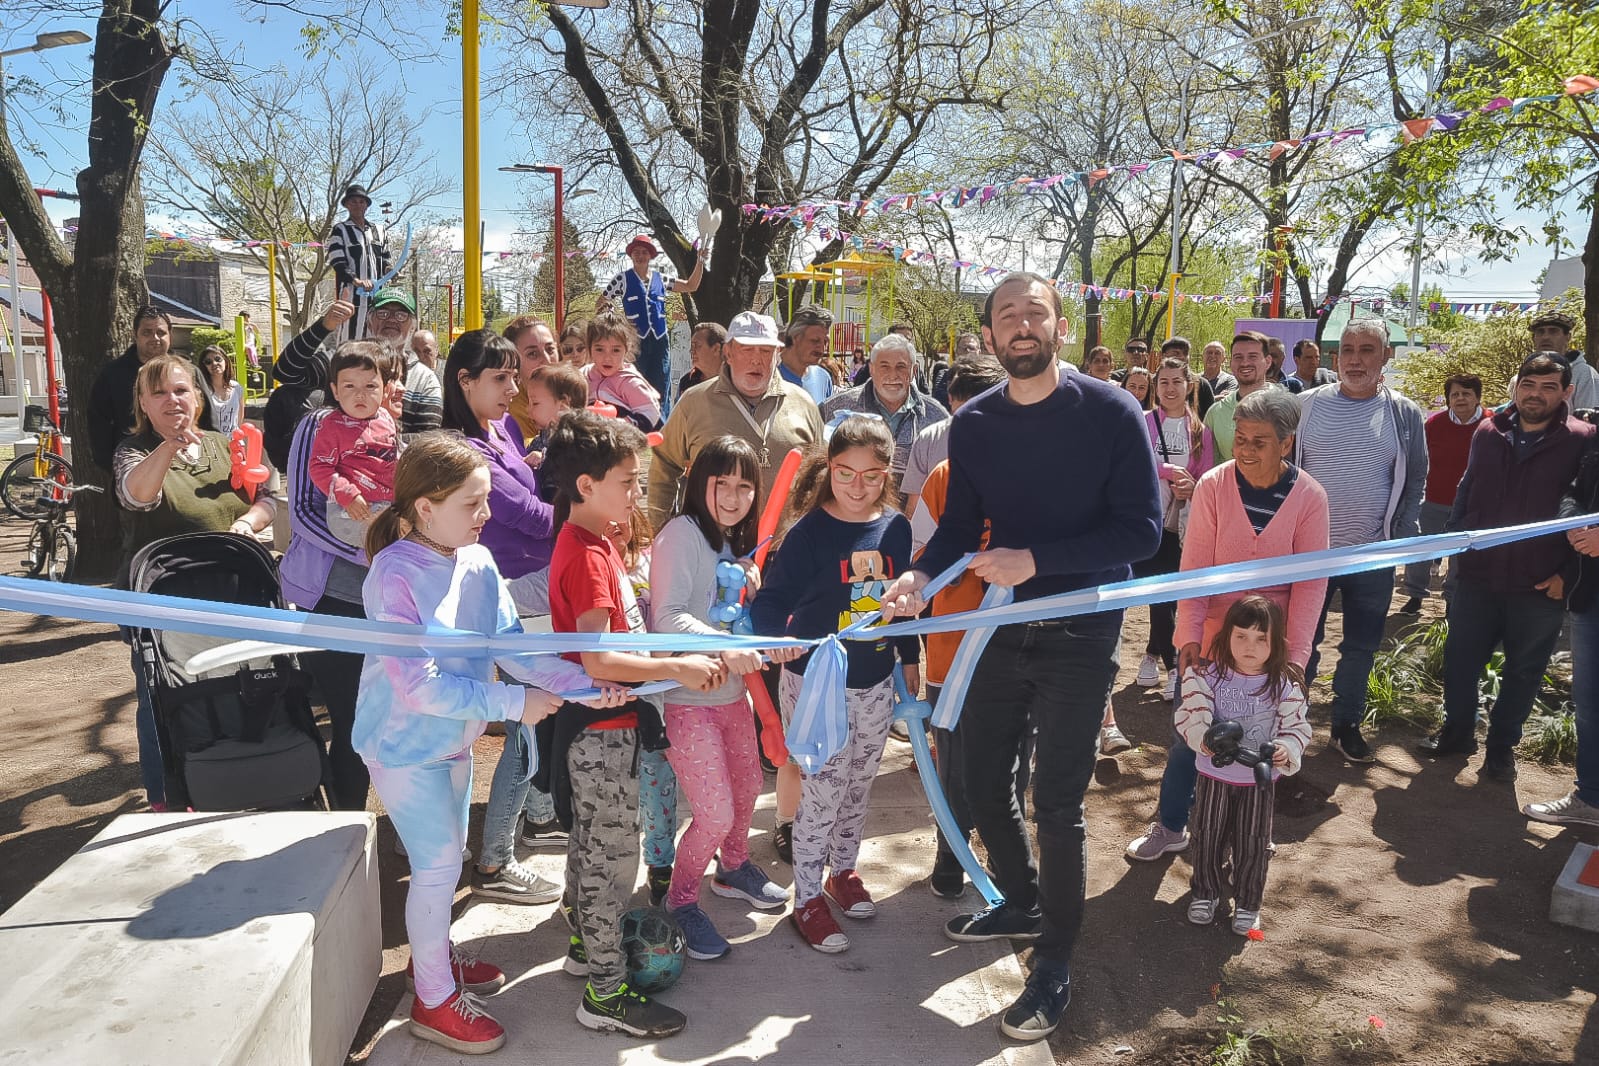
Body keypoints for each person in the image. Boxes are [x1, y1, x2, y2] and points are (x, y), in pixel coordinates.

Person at [879, 271, 1162, 1042]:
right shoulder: (974, 427)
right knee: (974, 773)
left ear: (1060, 326)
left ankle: (1053, 963)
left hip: (1080, 627)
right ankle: (1024, 897)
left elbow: (1139, 531)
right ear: (991, 336)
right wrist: (913, 575)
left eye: (1034, 311)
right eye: (1007, 315)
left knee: (1057, 804)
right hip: (997, 624)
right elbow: (954, 526)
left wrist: (1036, 560)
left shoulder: (1111, 410)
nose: (1022, 325)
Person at [353, 433, 622, 1054]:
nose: (488, 514)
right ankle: (433, 999)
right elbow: (417, 686)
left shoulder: (476, 561)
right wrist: (512, 705)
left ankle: (434, 961)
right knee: (440, 866)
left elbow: (509, 646)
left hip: (454, 739)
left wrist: (583, 686)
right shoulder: (395, 573)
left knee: (441, 870)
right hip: (403, 747)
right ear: (425, 508)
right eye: (473, 503)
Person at [540, 411, 724, 1039]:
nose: (635, 493)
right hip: (601, 731)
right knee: (611, 860)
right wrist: (678, 664)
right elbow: (597, 658)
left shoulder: (596, 543)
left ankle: (587, 947)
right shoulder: (588, 554)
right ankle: (606, 994)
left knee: (593, 846)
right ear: (586, 485)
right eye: (626, 480)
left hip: (608, 725)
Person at [1127, 387, 1328, 861]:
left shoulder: (1309, 498)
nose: (1246, 449)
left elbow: (1311, 585)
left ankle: (1251, 830)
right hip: (1214, 639)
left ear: (1287, 441)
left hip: (1270, 648)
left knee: (1264, 740)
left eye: (1260, 441)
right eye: (1240, 438)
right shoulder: (1215, 486)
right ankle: (1172, 825)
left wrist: (1295, 656)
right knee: (1187, 735)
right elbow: (1194, 570)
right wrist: (1189, 638)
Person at [750, 415, 921, 954]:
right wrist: (774, 640)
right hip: (816, 684)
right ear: (829, 469)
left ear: (887, 474)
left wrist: (909, 655)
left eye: (871, 475)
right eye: (846, 472)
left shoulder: (895, 527)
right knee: (821, 792)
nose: (857, 486)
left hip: (874, 682)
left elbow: (903, 605)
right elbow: (770, 604)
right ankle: (805, 898)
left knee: (859, 783)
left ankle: (841, 872)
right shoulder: (808, 533)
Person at [435, 329, 569, 901]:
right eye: (500, 377)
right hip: (511, 595)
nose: (514, 387)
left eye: (515, 376)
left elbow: (536, 492)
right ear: (464, 381)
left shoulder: (499, 430)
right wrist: (582, 489)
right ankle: (494, 861)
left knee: (538, 715)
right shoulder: (468, 448)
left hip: (526, 594)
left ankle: (535, 816)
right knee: (525, 725)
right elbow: (537, 517)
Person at [649, 436, 792, 959]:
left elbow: (739, 617)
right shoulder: (681, 534)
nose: (734, 496)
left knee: (750, 787)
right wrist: (728, 646)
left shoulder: (737, 541)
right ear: (698, 485)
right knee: (712, 811)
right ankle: (681, 900)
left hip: (732, 697)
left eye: (745, 485)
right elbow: (666, 620)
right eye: (721, 484)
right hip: (686, 700)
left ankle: (732, 869)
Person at [114, 355, 278, 808]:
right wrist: (167, 447)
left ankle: (245, 779)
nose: (173, 400)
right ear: (143, 403)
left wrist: (248, 523)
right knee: (163, 699)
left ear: (199, 398)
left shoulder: (228, 444)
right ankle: (168, 796)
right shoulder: (133, 452)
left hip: (235, 592)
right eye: (160, 393)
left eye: (182, 390)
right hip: (164, 604)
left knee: (243, 686)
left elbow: (268, 497)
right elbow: (135, 497)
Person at [1419, 354, 1591, 782]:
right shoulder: (1488, 431)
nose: (1536, 394)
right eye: (1529, 385)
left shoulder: (1582, 439)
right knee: (1460, 662)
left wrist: (1566, 576)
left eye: (1549, 387)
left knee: (1523, 671)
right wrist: (1457, 542)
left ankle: (1501, 750)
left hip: (1540, 584)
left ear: (1566, 392)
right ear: (1517, 387)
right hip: (1478, 577)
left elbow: (1586, 511)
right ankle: (1457, 734)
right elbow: (1468, 486)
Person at [1297, 318, 1427, 763]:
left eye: (1367, 349)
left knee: (1360, 646)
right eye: (1348, 349)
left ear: (1385, 356)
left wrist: (1399, 539)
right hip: (1310, 556)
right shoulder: (1306, 406)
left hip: (1373, 555)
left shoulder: (1404, 413)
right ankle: (1291, 722)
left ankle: (1344, 725)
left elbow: (1415, 480)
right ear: (1336, 358)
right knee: (1300, 643)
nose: (1355, 359)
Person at [1175, 596, 1311, 935]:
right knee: (1208, 836)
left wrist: (1286, 747)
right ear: (1226, 638)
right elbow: (1190, 716)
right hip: (1215, 775)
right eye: (1241, 636)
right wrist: (1203, 739)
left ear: (1276, 643)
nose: (1250, 646)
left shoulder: (1284, 685)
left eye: (1260, 638)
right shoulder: (1208, 677)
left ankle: (1249, 902)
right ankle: (1206, 892)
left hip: (1258, 782)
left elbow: (1297, 728)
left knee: (1254, 842)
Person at [647, 310, 823, 531]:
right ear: (728, 353)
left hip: (785, 550)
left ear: (777, 354)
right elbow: (664, 463)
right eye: (747, 349)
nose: (756, 359)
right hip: (711, 546)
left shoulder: (803, 404)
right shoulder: (694, 402)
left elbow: (820, 476)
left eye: (766, 350)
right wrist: (660, 528)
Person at [267, 287, 441, 471]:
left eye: (400, 315)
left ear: (413, 326)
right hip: (336, 477)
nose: (391, 319)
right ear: (369, 321)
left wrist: (363, 442)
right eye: (382, 313)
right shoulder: (344, 360)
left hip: (398, 477)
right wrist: (324, 326)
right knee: (283, 397)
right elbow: (284, 371)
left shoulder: (425, 379)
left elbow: (429, 440)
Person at [1524, 428, 1599, 827]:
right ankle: (1591, 799)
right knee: (1590, 704)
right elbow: (1576, 488)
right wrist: (1571, 521)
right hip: (1591, 595)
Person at [1132, 357, 1217, 700]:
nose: (1169, 388)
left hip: (1177, 524)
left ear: (1188, 386)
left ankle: (1160, 659)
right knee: (1154, 594)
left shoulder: (1200, 432)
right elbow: (1136, 462)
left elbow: (1206, 474)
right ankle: (1167, 664)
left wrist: (1192, 487)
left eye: (1176, 381)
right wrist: (1169, 472)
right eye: (1163, 382)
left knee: (1166, 594)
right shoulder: (1143, 421)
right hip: (1142, 519)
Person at [90, 307, 215, 474]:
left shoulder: (190, 373)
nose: (155, 338)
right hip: (137, 469)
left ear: (170, 335)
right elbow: (99, 428)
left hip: (189, 468)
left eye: (161, 332)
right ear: (135, 335)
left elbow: (208, 422)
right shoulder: (112, 376)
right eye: (147, 332)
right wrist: (120, 472)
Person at [820, 333, 949, 489]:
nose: (893, 375)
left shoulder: (937, 418)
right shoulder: (835, 408)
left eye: (901, 367)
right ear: (872, 369)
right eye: (884, 366)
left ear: (914, 371)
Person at [1400, 374, 1484, 613]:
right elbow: (1417, 460)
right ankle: (1415, 596)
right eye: (1454, 394)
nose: (1460, 399)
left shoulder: (1491, 425)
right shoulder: (1433, 424)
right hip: (1433, 500)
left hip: (1471, 504)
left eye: (1466, 393)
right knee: (1421, 550)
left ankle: (1451, 601)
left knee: (1460, 557)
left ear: (1477, 397)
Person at [597, 234, 705, 411]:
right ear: (631, 256)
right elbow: (601, 302)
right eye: (637, 252)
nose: (640, 256)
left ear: (650, 256)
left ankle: (663, 429)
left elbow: (690, 286)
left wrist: (700, 261)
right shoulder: (621, 279)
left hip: (660, 341)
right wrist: (613, 320)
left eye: (644, 252)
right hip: (635, 343)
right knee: (635, 386)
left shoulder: (661, 279)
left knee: (661, 386)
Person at [309, 343, 399, 549]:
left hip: (388, 503)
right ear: (336, 391)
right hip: (351, 509)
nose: (360, 394)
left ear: (385, 390)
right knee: (388, 546)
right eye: (349, 386)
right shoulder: (332, 426)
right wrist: (347, 495)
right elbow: (319, 467)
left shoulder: (385, 417)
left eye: (370, 386)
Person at [904, 355, 1007, 533]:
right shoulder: (940, 469)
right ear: (951, 400)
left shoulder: (1029, 462)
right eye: (965, 417)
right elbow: (916, 521)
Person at [326, 183, 390, 341]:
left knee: (376, 340)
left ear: (367, 205)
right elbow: (338, 261)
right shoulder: (340, 230)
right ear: (347, 205)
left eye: (361, 201)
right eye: (353, 201)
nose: (358, 205)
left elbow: (386, 259)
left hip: (378, 298)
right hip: (351, 298)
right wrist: (356, 281)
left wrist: (391, 271)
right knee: (350, 340)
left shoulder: (380, 231)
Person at [1203, 331, 1274, 462]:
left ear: (1268, 362)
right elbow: (1208, 464)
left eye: (1253, 356)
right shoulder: (1216, 412)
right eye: (1238, 357)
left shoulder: (1286, 406)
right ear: (1231, 363)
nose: (1245, 363)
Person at [585, 312, 664, 430]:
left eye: (615, 350)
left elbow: (650, 413)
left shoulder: (630, 382)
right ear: (589, 348)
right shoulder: (584, 375)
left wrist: (620, 425)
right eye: (599, 349)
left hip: (622, 439)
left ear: (626, 349)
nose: (607, 358)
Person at [518, 362, 589, 468]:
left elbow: (572, 464)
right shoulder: (541, 439)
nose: (528, 409)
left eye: (535, 403)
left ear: (562, 406)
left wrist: (543, 459)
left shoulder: (578, 440)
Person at [504, 315, 559, 446]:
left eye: (550, 349)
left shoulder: (580, 388)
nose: (546, 360)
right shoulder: (510, 408)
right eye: (532, 354)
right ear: (514, 361)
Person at [1531, 310, 1598, 409]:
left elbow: (1588, 419)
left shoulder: (1584, 374)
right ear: (1534, 339)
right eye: (1540, 332)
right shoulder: (1527, 373)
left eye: (1553, 331)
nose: (1545, 337)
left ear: (1567, 337)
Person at [778, 304, 836, 405]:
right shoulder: (768, 375)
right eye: (815, 341)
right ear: (795, 337)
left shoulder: (823, 377)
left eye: (825, 342)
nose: (821, 348)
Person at [1159, 336, 1215, 418]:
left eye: (1186, 353)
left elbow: (1211, 418)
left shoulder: (1202, 385)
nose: (1182, 357)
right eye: (1176, 353)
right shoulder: (1152, 383)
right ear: (1163, 356)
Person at [196, 345, 243, 438]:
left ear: (225, 361)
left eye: (218, 359)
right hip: (211, 444)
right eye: (208, 362)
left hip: (233, 444)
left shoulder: (237, 388)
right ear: (204, 366)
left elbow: (239, 419)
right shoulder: (202, 390)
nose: (214, 363)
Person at [677, 321, 726, 402]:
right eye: (692, 346)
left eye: (697, 345)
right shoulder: (687, 382)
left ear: (716, 349)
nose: (692, 351)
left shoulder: (735, 381)